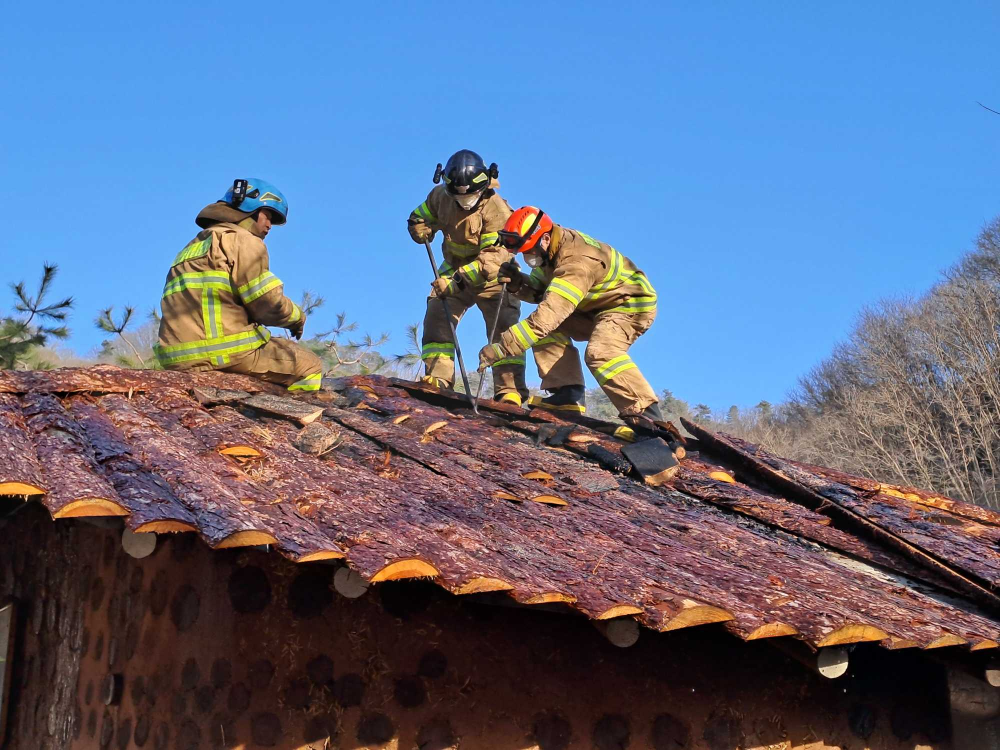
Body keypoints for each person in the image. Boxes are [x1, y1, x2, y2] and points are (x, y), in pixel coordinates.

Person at [479, 206, 664, 429]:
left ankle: (650, 420)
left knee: (601, 353)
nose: (527, 258)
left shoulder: (576, 262)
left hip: (628, 305)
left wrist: (501, 349)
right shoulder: (550, 252)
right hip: (592, 306)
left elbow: (548, 315)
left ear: (545, 238)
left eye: (529, 252)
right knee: (547, 332)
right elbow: (541, 292)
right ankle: (567, 394)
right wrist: (519, 283)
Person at [154, 178, 323, 393]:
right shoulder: (244, 241)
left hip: (175, 358)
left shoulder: (190, 248)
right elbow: (265, 302)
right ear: (250, 208)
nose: (269, 225)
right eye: (268, 215)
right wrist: (297, 318)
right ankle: (286, 418)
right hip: (222, 353)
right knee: (310, 365)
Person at [408, 150, 527, 405]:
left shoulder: (498, 210)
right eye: (458, 196)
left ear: (484, 186)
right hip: (454, 268)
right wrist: (418, 227)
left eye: (471, 196)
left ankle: (509, 391)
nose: (465, 202)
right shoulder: (440, 196)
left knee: (504, 328)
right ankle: (438, 379)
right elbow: (420, 215)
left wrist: (455, 282)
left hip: (494, 276)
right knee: (437, 317)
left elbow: (491, 259)